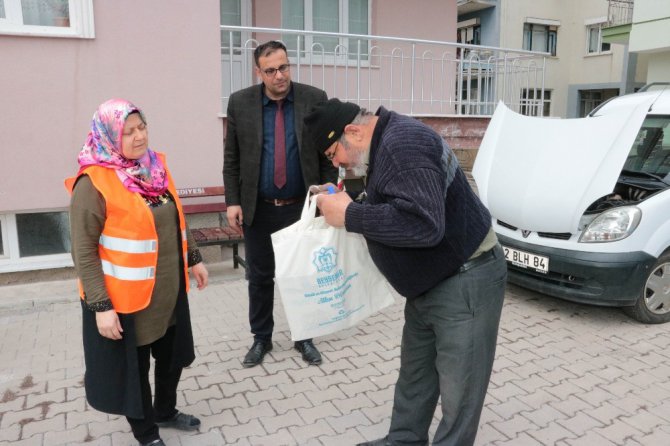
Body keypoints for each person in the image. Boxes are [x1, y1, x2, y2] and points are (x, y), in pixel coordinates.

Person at [304, 99, 507, 446]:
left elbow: (424, 225)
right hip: (432, 282)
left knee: (461, 388)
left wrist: (351, 216)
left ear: (352, 131)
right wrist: (348, 199)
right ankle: (404, 440)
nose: (335, 162)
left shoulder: (402, 146)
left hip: (465, 280)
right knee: (415, 376)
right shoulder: (387, 141)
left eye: (332, 153)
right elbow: (397, 196)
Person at [65, 99, 209, 446]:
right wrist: (101, 307)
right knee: (136, 371)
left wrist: (193, 258)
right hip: (127, 301)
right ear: (109, 135)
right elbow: (83, 250)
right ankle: (146, 434)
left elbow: (175, 218)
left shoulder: (154, 167)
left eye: (141, 127)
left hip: (168, 290)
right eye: (128, 132)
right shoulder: (94, 181)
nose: (139, 136)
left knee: (172, 358)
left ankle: (165, 410)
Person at [223, 40, 337, 367]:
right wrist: (233, 201)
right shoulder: (241, 103)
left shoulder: (314, 99)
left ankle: (304, 337)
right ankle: (262, 339)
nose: (279, 76)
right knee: (259, 278)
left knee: (301, 276)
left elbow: (327, 154)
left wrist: (327, 193)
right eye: (270, 70)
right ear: (258, 72)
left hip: (300, 207)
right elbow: (232, 158)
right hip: (258, 207)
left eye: (284, 67)